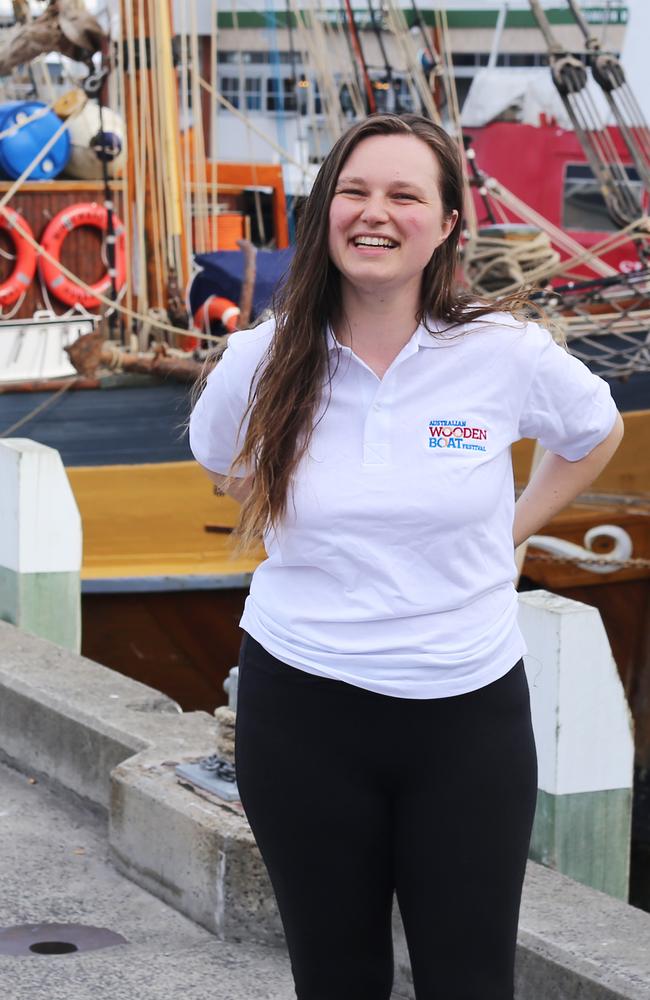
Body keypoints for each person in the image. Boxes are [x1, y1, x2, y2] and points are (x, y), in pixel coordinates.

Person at [189, 113, 623, 1000]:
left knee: (470, 981)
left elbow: (593, 430)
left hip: (465, 717)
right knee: (337, 978)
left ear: (448, 223)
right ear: (325, 210)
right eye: (353, 191)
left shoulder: (499, 353)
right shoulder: (263, 359)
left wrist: (514, 524)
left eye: (403, 195)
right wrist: (297, 514)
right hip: (302, 708)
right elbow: (218, 456)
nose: (373, 213)